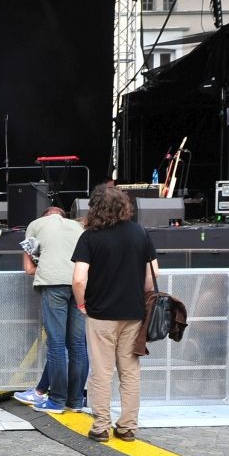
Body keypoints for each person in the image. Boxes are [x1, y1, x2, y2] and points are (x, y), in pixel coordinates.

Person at [72, 185, 160, 443]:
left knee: (101, 372)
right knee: (130, 371)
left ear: (95, 208)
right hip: (133, 313)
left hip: (101, 313)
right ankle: (128, 426)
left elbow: (79, 279)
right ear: (124, 206)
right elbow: (152, 275)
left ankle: (101, 426)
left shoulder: (90, 237)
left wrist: (81, 304)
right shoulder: (140, 233)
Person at [16, 204, 89, 414]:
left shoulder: (35, 225)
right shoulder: (78, 227)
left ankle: (56, 400)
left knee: (56, 344)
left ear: (45, 216)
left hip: (52, 284)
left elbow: (29, 267)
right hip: (80, 283)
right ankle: (75, 401)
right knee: (77, 344)